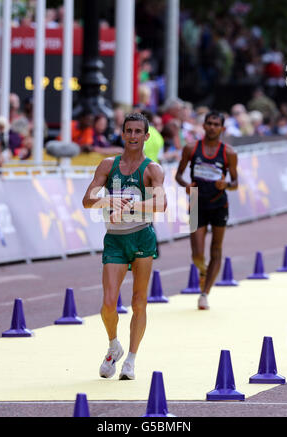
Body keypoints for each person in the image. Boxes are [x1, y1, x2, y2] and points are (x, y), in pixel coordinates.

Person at [82, 112, 167, 380]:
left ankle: (131, 359)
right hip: (115, 238)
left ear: (146, 136)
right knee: (108, 303)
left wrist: (132, 204)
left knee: (139, 301)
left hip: (142, 235)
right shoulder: (108, 165)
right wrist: (107, 201)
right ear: (123, 134)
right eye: (128, 131)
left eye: (137, 132)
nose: (132, 136)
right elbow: (87, 199)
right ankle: (113, 345)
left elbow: (161, 204)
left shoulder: (153, 169)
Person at [175, 110, 238, 310]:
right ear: (203, 126)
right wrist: (186, 185)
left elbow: (236, 182)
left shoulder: (228, 153)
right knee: (197, 254)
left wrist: (226, 184)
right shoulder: (191, 148)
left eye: (215, 124)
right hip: (196, 202)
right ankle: (202, 271)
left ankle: (204, 293)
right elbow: (178, 175)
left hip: (219, 203)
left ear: (222, 128)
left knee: (216, 249)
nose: (212, 127)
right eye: (209, 123)